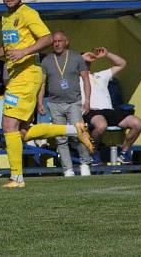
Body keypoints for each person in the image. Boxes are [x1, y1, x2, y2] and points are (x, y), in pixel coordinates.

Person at [0, 0, 94, 188]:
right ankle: (76, 130)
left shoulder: (28, 13)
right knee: (22, 132)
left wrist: (25, 52)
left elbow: (47, 37)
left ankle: (16, 178)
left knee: (7, 124)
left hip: (27, 75)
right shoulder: (6, 17)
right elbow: (14, 48)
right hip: (18, 74)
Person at [37, 30, 92, 177]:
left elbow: (86, 79)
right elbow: (42, 84)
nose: (57, 44)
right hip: (54, 104)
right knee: (60, 138)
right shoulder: (47, 60)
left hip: (74, 102)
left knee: (78, 133)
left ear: (66, 42)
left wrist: (87, 101)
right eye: (54, 41)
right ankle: (67, 169)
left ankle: (85, 163)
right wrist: (40, 102)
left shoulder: (76, 58)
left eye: (59, 41)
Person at [80, 47, 141, 165]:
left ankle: (124, 153)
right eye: (83, 62)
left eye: (88, 62)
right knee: (101, 125)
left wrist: (107, 54)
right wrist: (81, 57)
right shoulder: (74, 78)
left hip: (109, 111)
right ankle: (93, 151)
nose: (86, 64)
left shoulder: (100, 75)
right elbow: (64, 67)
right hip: (92, 111)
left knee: (137, 123)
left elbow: (121, 64)